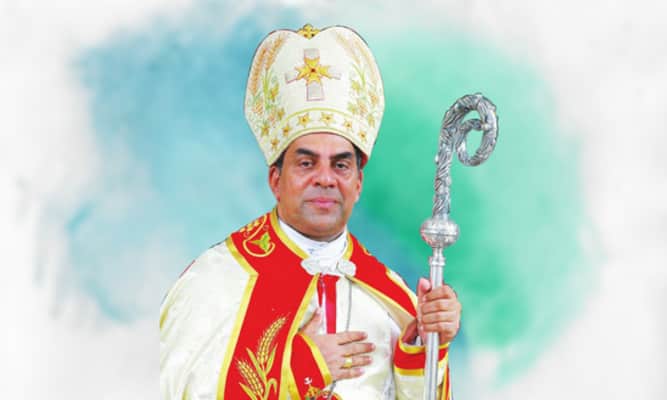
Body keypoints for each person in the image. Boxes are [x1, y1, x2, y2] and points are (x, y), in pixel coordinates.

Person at [160, 24, 462, 400]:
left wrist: (425, 346)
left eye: (341, 165)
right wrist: (302, 369)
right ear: (276, 179)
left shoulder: (389, 297)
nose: (325, 179)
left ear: (358, 184)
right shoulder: (216, 280)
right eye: (306, 163)